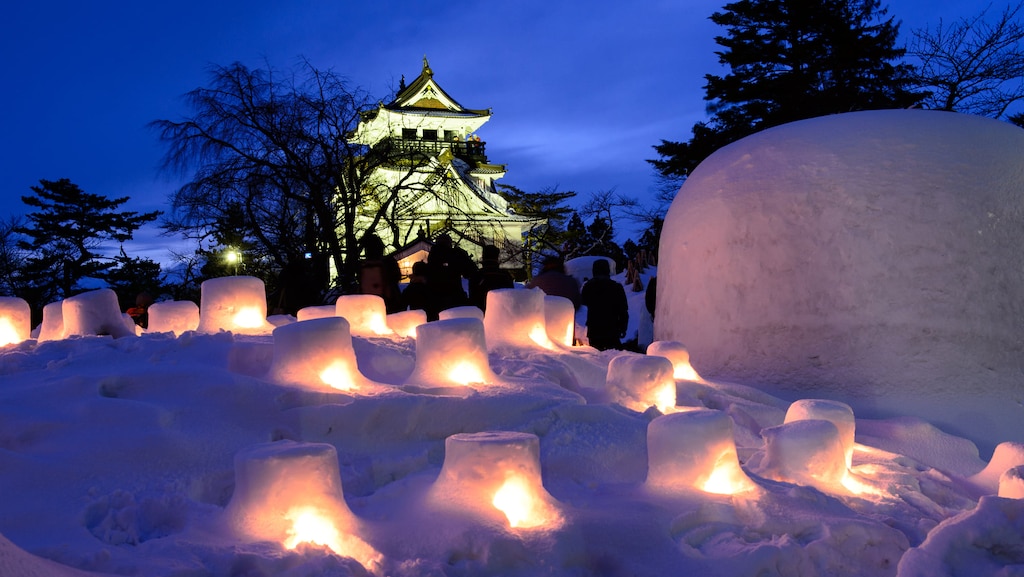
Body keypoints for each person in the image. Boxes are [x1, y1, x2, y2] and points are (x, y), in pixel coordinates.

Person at [580, 258, 628, 351]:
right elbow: (623, 310)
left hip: (594, 328)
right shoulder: (616, 287)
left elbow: (583, 302)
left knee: (597, 358)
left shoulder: (589, 286)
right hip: (613, 328)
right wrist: (623, 327)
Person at [426, 233, 477, 316]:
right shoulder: (456, 255)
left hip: (434, 300)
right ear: (450, 244)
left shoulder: (433, 256)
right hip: (455, 299)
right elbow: (470, 272)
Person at [358, 233, 403, 314]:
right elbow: (396, 278)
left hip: (368, 304)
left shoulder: (362, 266)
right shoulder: (389, 262)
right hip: (389, 303)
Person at [469, 244, 514, 311]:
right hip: (503, 312)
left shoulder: (477, 275)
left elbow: (472, 298)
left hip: (482, 313)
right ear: (497, 257)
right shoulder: (505, 275)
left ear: (483, 256)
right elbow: (511, 295)